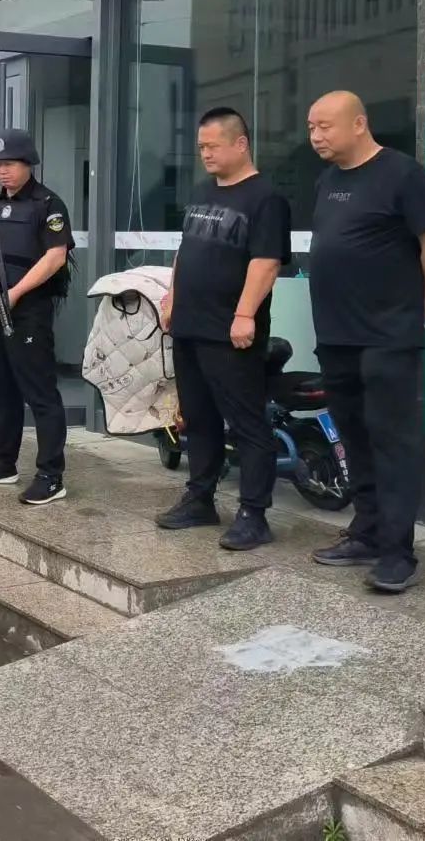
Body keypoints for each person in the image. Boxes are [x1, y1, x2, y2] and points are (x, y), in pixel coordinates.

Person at [305, 91, 425, 594]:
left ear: (359, 123)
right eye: (311, 128)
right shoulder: (328, 180)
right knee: (354, 437)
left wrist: (423, 304)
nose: (316, 136)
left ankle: (398, 553)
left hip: (388, 336)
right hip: (336, 335)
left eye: (325, 126)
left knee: (393, 443)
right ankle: (366, 533)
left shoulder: (404, 175)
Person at [155, 109, 291, 551]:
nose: (206, 154)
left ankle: (254, 514)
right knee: (198, 419)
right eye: (202, 147)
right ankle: (200, 499)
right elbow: (186, 250)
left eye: (213, 146)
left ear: (240, 144)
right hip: (190, 325)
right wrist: (172, 296)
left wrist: (245, 313)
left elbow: (266, 262)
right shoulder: (202, 192)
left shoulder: (266, 198)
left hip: (231, 333)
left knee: (248, 423)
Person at [0, 129, 75, 506]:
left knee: (40, 392)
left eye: (9, 164)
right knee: (0, 390)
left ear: (29, 163)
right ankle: (2, 462)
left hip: (27, 312)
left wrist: (15, 293)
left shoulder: (48, 204)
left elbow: (55, 257)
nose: (2, 171)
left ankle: (51, 475)